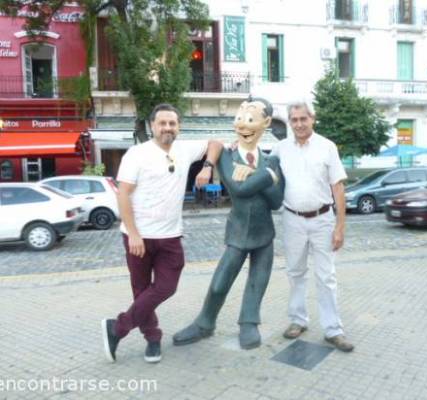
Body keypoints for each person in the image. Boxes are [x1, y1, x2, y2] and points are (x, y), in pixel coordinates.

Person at [101, 103, 223, 363]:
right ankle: (152, 339)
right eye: (162, 123)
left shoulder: (185, 149)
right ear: (152, 126)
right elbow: (123, 194)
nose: (168, 127)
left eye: (172, 123)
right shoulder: (137, 154)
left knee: (166, 287)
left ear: (178, 126)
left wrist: (207, 166)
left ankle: (118, 327)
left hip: (170, 237)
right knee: (142, 290)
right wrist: (133, 234)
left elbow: (216, 142)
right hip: (139, 237)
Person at [172, 97, 284, 350]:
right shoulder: (226, 156)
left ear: (265, 123)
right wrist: (266, 178)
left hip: (265, 232)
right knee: (222, 278)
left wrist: (259, 174)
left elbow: (277, 201)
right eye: (239, 118)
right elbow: (237, 188)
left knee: (259, 279)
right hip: (238, 231)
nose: (243, 125)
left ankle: (249, 322)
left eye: (251, 119)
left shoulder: (272, 161)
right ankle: (205, 322)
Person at [272, 101, 354, 352]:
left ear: (312, 119)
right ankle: (298, 320)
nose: (298, 124)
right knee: (295, 272)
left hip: (322, 220)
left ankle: (333, 330)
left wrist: (340, 227)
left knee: (326, 276)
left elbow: (338, 187)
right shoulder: (280, 149)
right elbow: (262, 169)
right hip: (292, 219)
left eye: (302, 119)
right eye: (293, 120)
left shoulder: (327, 147)